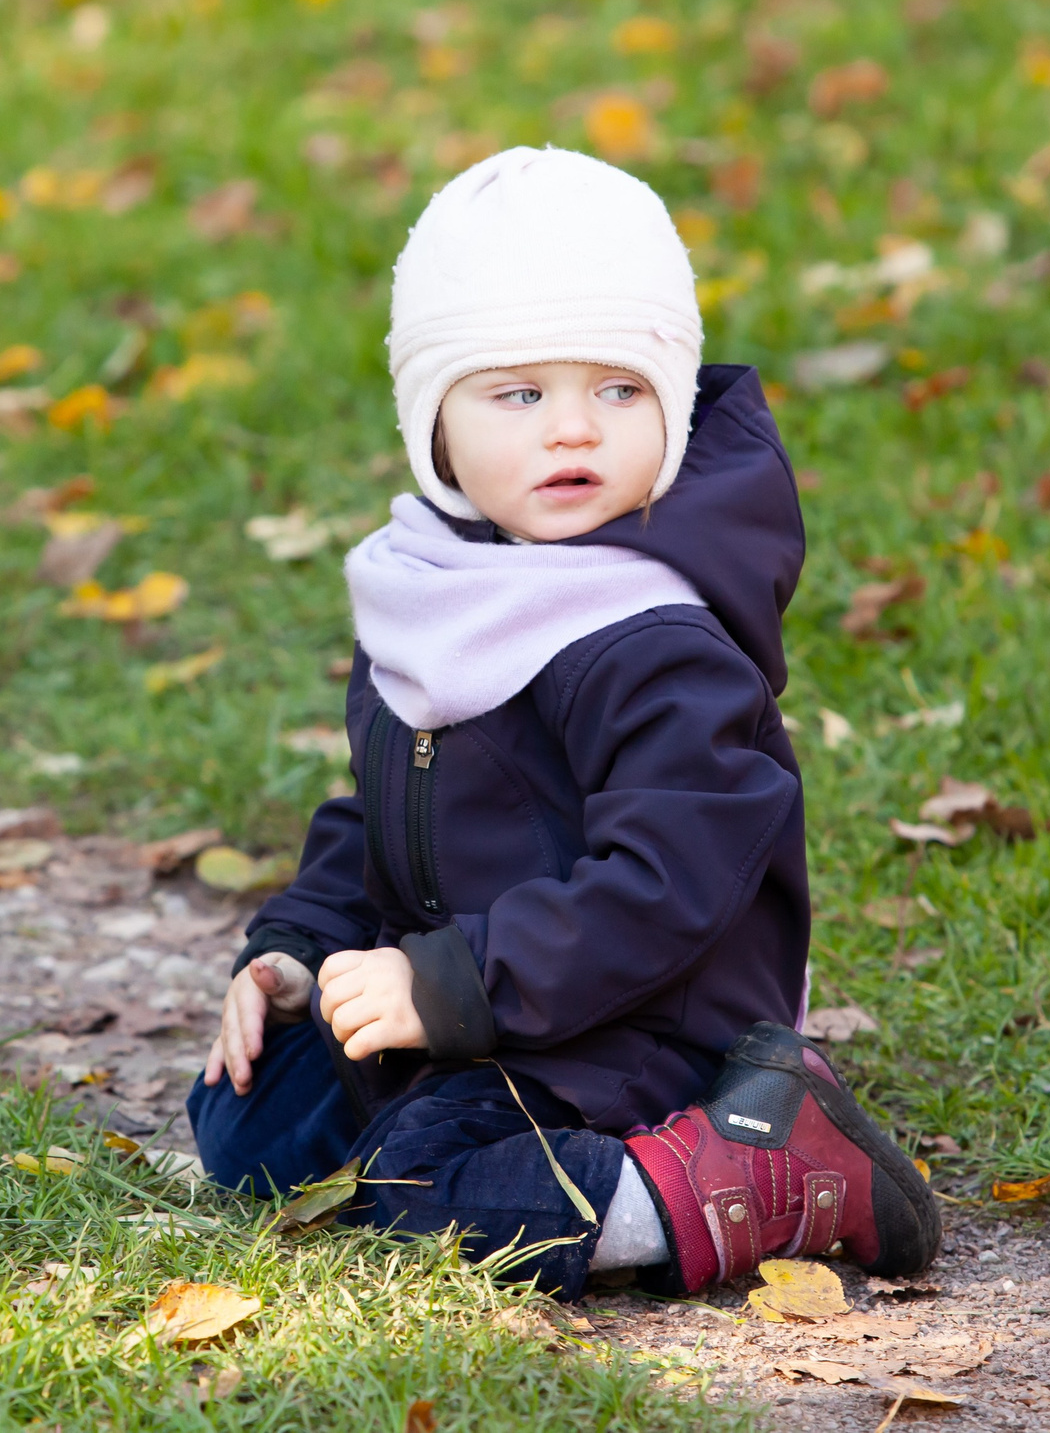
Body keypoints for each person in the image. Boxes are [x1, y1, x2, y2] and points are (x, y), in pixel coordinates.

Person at [185, 145, 938, 1300]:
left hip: (637, 1027)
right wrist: (297, 951)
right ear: (435, 425)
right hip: (479, 995)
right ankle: (442, 1103)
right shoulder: (439, 589)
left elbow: (667, 887)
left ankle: (747, 1170)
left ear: (671, 406)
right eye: (519, 394)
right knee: (248, 1119)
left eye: (619, 390)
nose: (573, 430)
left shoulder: (655, 641)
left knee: (421, 1189)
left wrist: (446, 989)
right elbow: (383, 814)